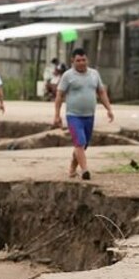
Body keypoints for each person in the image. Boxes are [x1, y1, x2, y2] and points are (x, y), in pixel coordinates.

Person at [53, 48, 114, 180]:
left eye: (83, 60)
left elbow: (101, 92)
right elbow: (59, 95)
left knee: (83, 144)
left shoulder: (94, 74)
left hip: (89, 116)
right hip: (73, 116)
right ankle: (85, 170)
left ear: (87, 60)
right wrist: (57, 115)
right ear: (72, 61)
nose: (81, 63)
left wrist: (109, 109)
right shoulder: (68, 76)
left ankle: (72, 168)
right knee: (79, 142)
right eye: (78, 60)